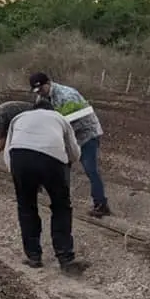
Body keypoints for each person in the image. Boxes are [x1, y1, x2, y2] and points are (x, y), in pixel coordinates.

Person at [2, 97, 88, 275]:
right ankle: (65, 258)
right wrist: (64, 167)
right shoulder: (59, 118)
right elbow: (74, 151)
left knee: (26, 207)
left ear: (34, 109)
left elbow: (8, 150)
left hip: (19, 157)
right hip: (51, 159)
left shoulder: (19, 117)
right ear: (52, 109)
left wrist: (19, 176)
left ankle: (33, 256)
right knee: (61, 207)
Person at [30, 72, 111, 218]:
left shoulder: (68, 96)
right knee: (60, 164)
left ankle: (101, 204)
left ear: (48, 83)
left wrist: (54, 137)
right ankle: (60, 197)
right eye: (37, 91)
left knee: (90, 168)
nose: (39, 93)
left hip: (86, 134)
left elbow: (73, 122)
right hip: (67, 134)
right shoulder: (42, 97)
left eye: (41, 89)